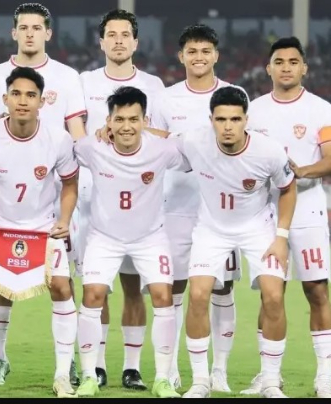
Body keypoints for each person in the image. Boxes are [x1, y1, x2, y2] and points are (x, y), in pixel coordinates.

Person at [0, 67, 79, 397]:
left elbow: (70, 184)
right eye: (16, 94)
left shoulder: (58, 139)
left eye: (30, 95)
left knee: (62, 287)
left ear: (41, 101)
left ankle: (63, 373)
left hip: (40, 226)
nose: (23, 101)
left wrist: (64, 219)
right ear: (5, 99)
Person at [0, 2, 86, 386]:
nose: (29, 33)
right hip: (6, 190)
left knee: (62, 280)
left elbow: (77, 130)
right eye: (23, 27)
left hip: (56, 192)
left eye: (36, 27)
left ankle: (68, 360)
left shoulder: (67, 76)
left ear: (48, 33)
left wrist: (97, 163)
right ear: (13, 32)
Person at [175, 86, 296, 398]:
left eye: (235, 119)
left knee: (273, 296)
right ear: (210, 120)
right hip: (211, 228)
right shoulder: (193, 141)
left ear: (246, 120)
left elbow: (288, 188)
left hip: (257, 227)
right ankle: (201, 382)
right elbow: (156, 144)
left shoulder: (268, 151)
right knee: (199, 294)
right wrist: (113, 128)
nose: (227, 126)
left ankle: (270, 381)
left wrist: (281, 238)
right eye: (220, 119)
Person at [149, 24, 244, 392]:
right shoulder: (166, 99)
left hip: (220, 210)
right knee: (172, 288)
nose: (199, 57)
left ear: (216, 55)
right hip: (174, 204)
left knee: (221, 289)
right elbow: (155, 147)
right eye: (192, 51)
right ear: (181, 56)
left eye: (206, 51)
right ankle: (171, 368)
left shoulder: (232, 95)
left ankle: (218, 370)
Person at [74, 86, 185, 398]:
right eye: (119, 119)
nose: (126, 126)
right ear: (108, 121)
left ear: (144, 120)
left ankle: (163, 378)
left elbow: (194, 151)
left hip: (150, 237)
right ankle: (88, 375)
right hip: (104, 236)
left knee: (163, 295)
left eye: (134, 119)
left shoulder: (163, 149)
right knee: (93, 294)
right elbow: (67, 155)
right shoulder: (91, 147)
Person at [79, 9, 165, 390]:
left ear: (135, 42)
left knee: (134, 287)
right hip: (92, 199)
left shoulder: (154, 85)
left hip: (141, 202)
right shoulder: (83, 82)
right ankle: (95, 365)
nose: (117, 40)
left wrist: (132, 131)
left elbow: (164, 134)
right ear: (101, 42)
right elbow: (74, 131)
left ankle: (132, 367)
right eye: (110, 34)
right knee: (99, 288)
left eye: (124, 34)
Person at [244, 36, 331, 398]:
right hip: (265, 215)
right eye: (279, 61)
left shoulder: (321, 109)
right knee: (271, 293)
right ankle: (268, 377)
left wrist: (304, 171)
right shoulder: (255, 109)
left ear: (304, 68)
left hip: (308, 211)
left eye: (293, 62)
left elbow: (329, 157)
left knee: (317, 291)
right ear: (268, 68)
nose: (286, 68)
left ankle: (325, 374)